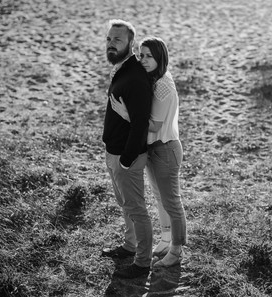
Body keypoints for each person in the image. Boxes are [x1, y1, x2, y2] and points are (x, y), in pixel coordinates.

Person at [110, 37, 187, 267]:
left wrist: (125, 114)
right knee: (160, 198)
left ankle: (176, 251)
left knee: (172, 202)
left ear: (160, 58)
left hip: (166, 150)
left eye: (148, 56)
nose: (142, 60)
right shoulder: (154, 78)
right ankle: (165, 240)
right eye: (140, 55)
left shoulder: (163, 85)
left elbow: (152, 124)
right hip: (155, 149)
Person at [98, 19, 154, 279]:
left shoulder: (135, 77)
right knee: (125, 204)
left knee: (136, 209)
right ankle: (130, 246)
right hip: (114, 151)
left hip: (126, 156)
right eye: (109, 39)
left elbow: (141, 122)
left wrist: (126, 160)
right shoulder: (122, 68)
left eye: (117, 40)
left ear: (131, 43)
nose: (110, 44)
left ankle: (143, 263)